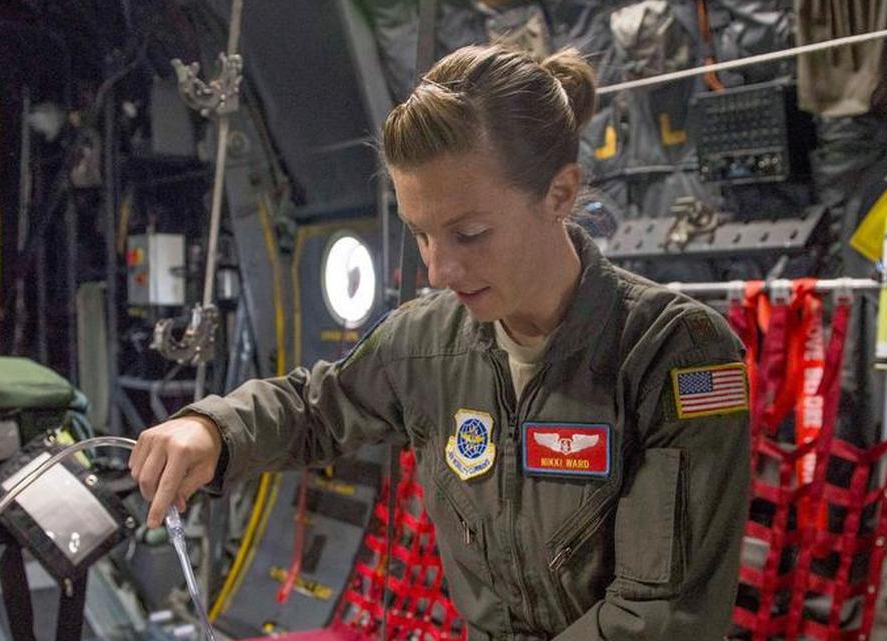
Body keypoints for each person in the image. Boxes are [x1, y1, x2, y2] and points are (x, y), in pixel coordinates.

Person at [130, 44, 750, 641]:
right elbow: (314, 408)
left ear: (560, 194)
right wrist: (215, 430)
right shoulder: (427, 342)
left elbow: (663, 617)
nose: (438, 271)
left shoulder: (675, 354)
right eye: (421, 235)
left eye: (469, 233)